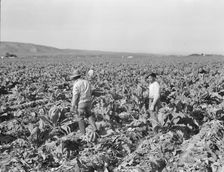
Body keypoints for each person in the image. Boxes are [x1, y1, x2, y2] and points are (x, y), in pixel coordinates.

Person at [70, 69, 98, 135]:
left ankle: (83, 134)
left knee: (80, 117)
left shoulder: (76, 84)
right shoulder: (86, 82)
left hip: (81, 103)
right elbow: (91, 91)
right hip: (89, 102)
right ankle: (95, 128)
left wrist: (73, 106)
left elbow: (75, 96)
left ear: (74, 78)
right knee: (89, 114)